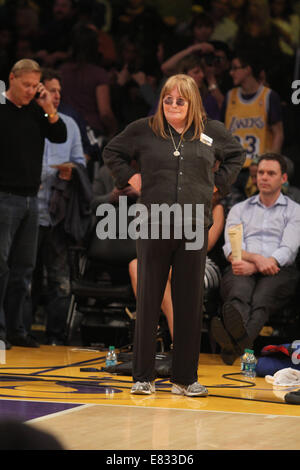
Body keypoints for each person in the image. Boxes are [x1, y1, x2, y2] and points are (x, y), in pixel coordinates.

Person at [103, 74, 245, 396]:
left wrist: (218, 184)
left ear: (192, 102)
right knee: (150, 299)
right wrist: (131, 177)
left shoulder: (212, 131)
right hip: (154, 222)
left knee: (189, 301)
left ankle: (185, 378)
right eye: (168, 99)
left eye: (180, 100)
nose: (173, 105)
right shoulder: (145, 128)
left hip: (194, 224)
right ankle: (143, 377)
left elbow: (237, 155)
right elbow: (112, 151)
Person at [0, 59, 67, 350]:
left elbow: (60, 134)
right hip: (4, 197)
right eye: (25, 85)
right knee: (1, 266)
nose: (30, 91)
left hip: (31, 199)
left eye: (34, 86)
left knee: (24, 268)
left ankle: (16, 328)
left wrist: (48, 106)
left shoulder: (37, 112)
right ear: (11, 79)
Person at [211, 153, 300, 365]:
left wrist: (265, 263)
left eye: (271, 173)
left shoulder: (295, 210)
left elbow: (288, 248)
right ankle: (242, 345)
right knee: (238, 293)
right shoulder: (240, 209)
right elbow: (231, 248)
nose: (264, 177)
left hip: (279, 269)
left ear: (283, 179)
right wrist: (256, 261)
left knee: (262, 299)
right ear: (255, 177)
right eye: (261, 172)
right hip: (243, 264)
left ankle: (235, 347)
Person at [27, 69, 87, 345]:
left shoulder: (70, 125)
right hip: (28, 210)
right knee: (26, 276)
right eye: (52, 90)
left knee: (59, 279)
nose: (57, 96)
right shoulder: (26, 119)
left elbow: (81, 162)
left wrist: (71, 170)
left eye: (60, 91)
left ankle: (55, 336)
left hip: (57, 212)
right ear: (39, 92)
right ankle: (20, 329)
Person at [222, 49, 284, 197]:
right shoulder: (230, 97)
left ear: (248, 69)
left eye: (235, 68)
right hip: (233, 169)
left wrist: (269, 165)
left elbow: (278, 133)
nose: (231, 73)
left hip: (258, 169)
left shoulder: (268, 96)